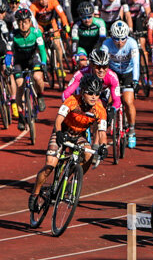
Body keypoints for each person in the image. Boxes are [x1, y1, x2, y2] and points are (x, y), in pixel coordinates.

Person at [29, 75, 110, 212]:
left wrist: (103, 146)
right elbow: (59, 119)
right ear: (82, 91)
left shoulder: (100, 109)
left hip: (79, 136)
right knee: (50, 166)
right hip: (63, 132)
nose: (94, 97)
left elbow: (102, 132)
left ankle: (72, 178)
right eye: (90, 93)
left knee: (88, 156)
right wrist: (59, 132)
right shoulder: (72, 101)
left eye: (97, 94)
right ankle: (34, 195)